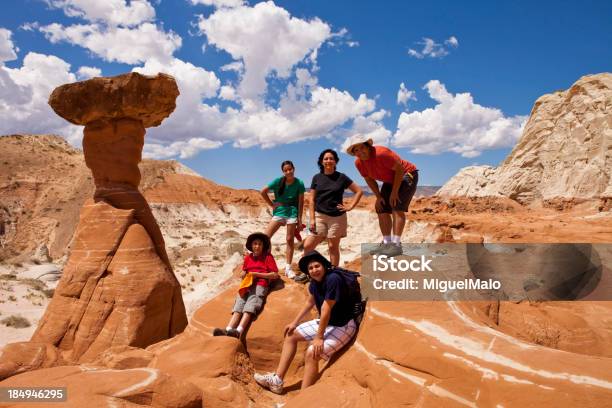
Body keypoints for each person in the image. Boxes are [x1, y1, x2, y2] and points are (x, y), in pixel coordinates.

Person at [254, 250, 358, 394]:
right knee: (291, 334)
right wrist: (294, 323)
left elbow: (326, 309)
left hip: (344, 325)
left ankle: (302, 399)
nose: (314, 270)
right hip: (328, 323)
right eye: (311, 268)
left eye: (317, 266)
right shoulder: (314, 283)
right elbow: (310, 301)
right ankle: (277, 380)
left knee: (312, 352)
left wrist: (319, 337)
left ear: (323, 265)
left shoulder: (333, 279)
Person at [346, 136, 418, 257]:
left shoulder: (381, 154)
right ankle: (386, 243)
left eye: (362, 148)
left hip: (407, 174)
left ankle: (396, 245)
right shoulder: (359, 163)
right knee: (381, 207)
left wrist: (394, 192)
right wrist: (379, 196)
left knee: (396, 206)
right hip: (390, 180)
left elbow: (399, 169)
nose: (360, 152)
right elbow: (369, 179)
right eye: (356, 150)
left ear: (368, 147)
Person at [303, 149, 363, 267]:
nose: (328, 161)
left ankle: (334, 271)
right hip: (319, 216)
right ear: (321, 162)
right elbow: (311, 200)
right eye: (326, 159)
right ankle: (308, 269)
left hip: (337, 217)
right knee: (308, 245)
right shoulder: (317, 177)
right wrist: (313, 219)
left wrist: (350, 206)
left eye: (331, 158)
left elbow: (359, 191)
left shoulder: (341, 177)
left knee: (332, 247)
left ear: (335, 162)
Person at [213, 232, 280, 338]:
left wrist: (256, 274)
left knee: (250, 305)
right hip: (246, 284)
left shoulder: (268, 257)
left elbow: (275, 274)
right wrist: (243, 274)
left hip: (260, 284)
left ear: (263, 246)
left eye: (260, 244)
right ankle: (228, 329)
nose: (257, 246)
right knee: (238, 306)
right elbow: (243, 272)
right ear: (251, 245)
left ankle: (239, 331)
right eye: (255, 244)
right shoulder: (248, 258)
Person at [261, 161, 305, 279]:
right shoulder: (278, 181)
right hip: (280, 212)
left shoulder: (299, 183)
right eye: (285, 170)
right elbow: (263, 191)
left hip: (292, 212)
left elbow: (301, 202)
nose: (288, 172)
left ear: (294, 169)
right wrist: (272, 205)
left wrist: (300, 220)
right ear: (283, 172)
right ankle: (266, 264)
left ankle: (288, 268)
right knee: (265, 237)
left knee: (289, 239)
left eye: (290, 169)